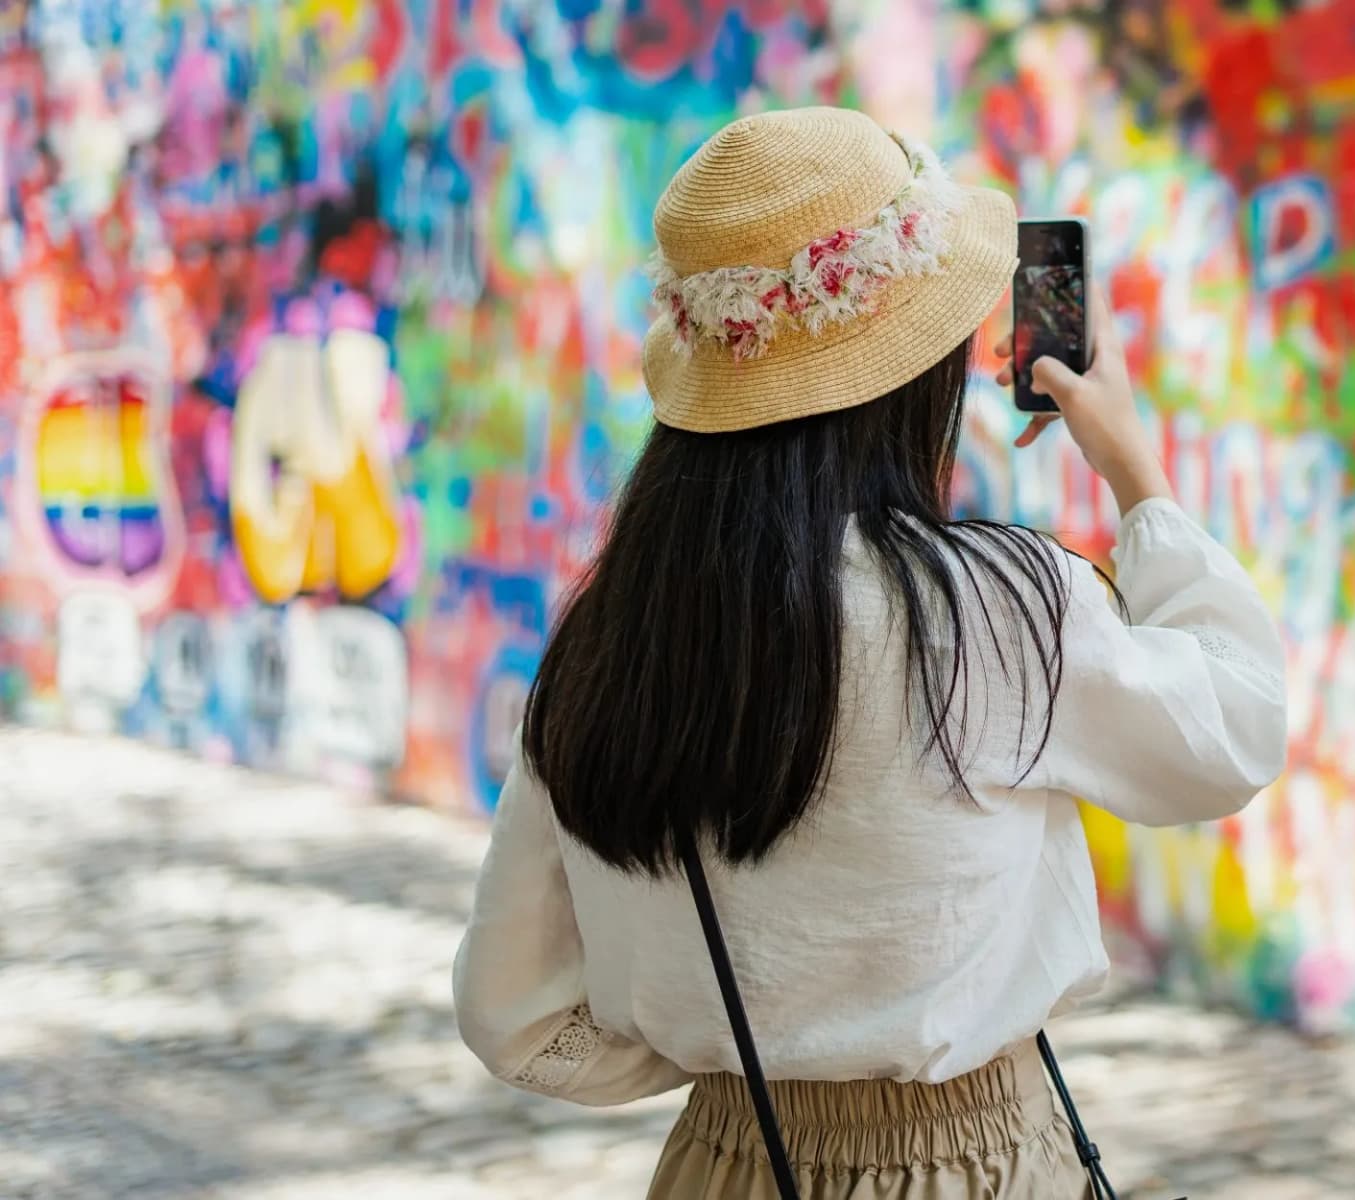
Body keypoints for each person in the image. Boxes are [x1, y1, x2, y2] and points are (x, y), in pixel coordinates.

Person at [452, 107, 1288, 1199]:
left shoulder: (612, 642)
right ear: (918, 373)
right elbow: (1233, 727)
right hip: (977, 1166)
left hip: (731, 1162)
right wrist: (1134, 468)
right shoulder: (993, 613)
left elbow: (509, 1011)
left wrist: (754, 1050)